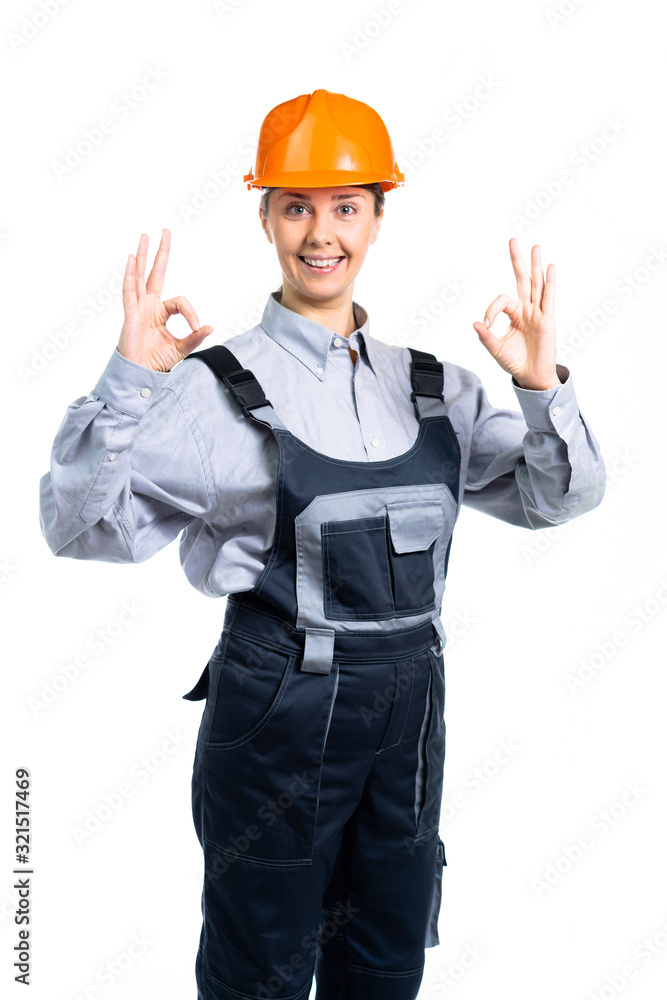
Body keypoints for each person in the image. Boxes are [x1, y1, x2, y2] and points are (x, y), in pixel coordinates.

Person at [39, 89, 605, 1000]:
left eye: (344, 206)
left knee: (385, 963)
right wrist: (129, 379)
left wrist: (540, 384)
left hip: (408, 719)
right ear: (265, 217)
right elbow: (77, 530)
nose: (320, 233)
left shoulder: (436, 389)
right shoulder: (209, 391)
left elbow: (558, 498)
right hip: (278, 717)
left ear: (377, 217)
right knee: (259, 974)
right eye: (296, 207)